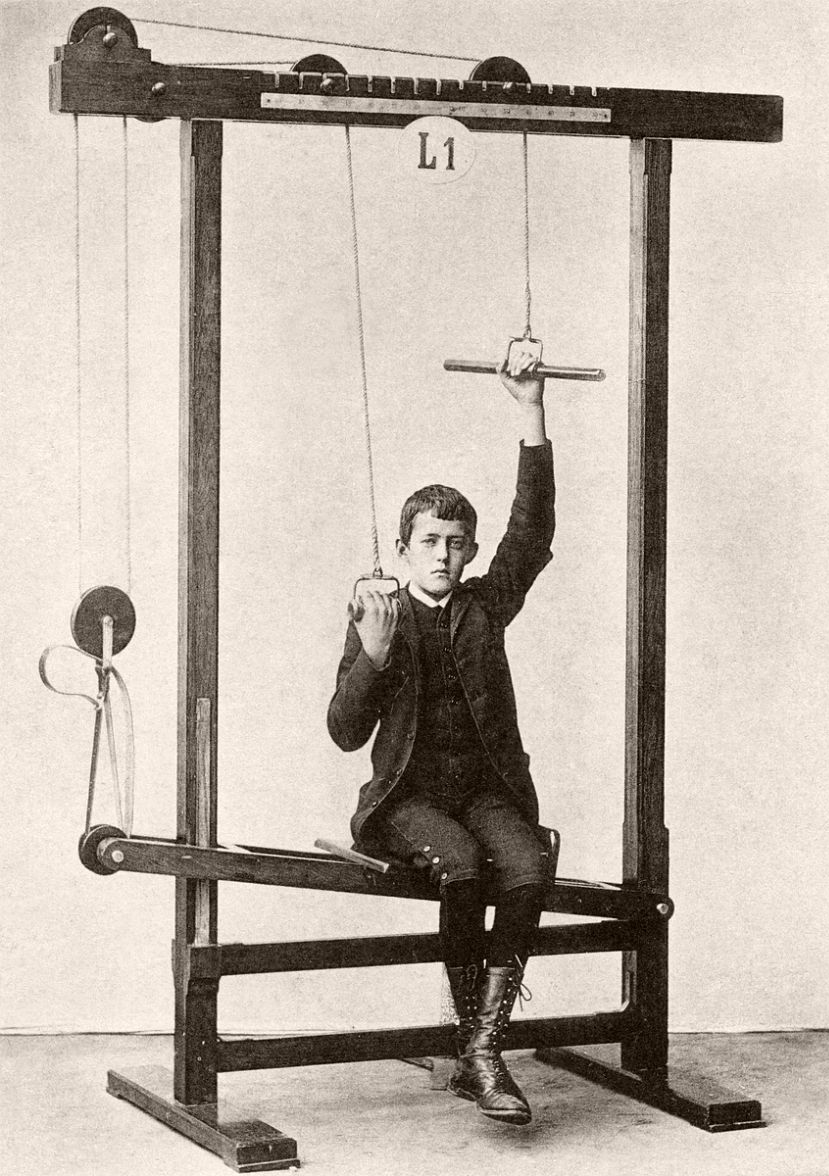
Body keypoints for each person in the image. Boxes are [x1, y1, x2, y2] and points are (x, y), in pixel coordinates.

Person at [327, 345, 554, 1126]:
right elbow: (345, 733)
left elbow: (533, 530)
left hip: (485, 793)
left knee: (527, 866)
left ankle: (480, 1048)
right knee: (460, 866)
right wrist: (374, 654)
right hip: (407, 801)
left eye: (457, 543)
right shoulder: (379, 614)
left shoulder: (486, 607)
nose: (445, 556)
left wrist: (531, 408)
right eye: (429, 542)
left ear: (471, 550)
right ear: (404, 549)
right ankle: (478, 1050)